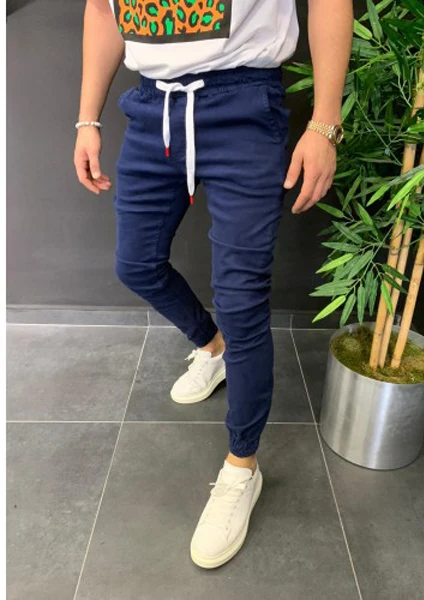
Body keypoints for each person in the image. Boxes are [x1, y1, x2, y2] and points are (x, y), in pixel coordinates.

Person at [74, 0, 353, 569]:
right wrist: (87, 120)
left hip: (244, 105)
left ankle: (241, 467)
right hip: (153, 106)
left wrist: (325, 122)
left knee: (242, 300)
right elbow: (102, 10)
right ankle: (212, 345)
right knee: (136, 264)